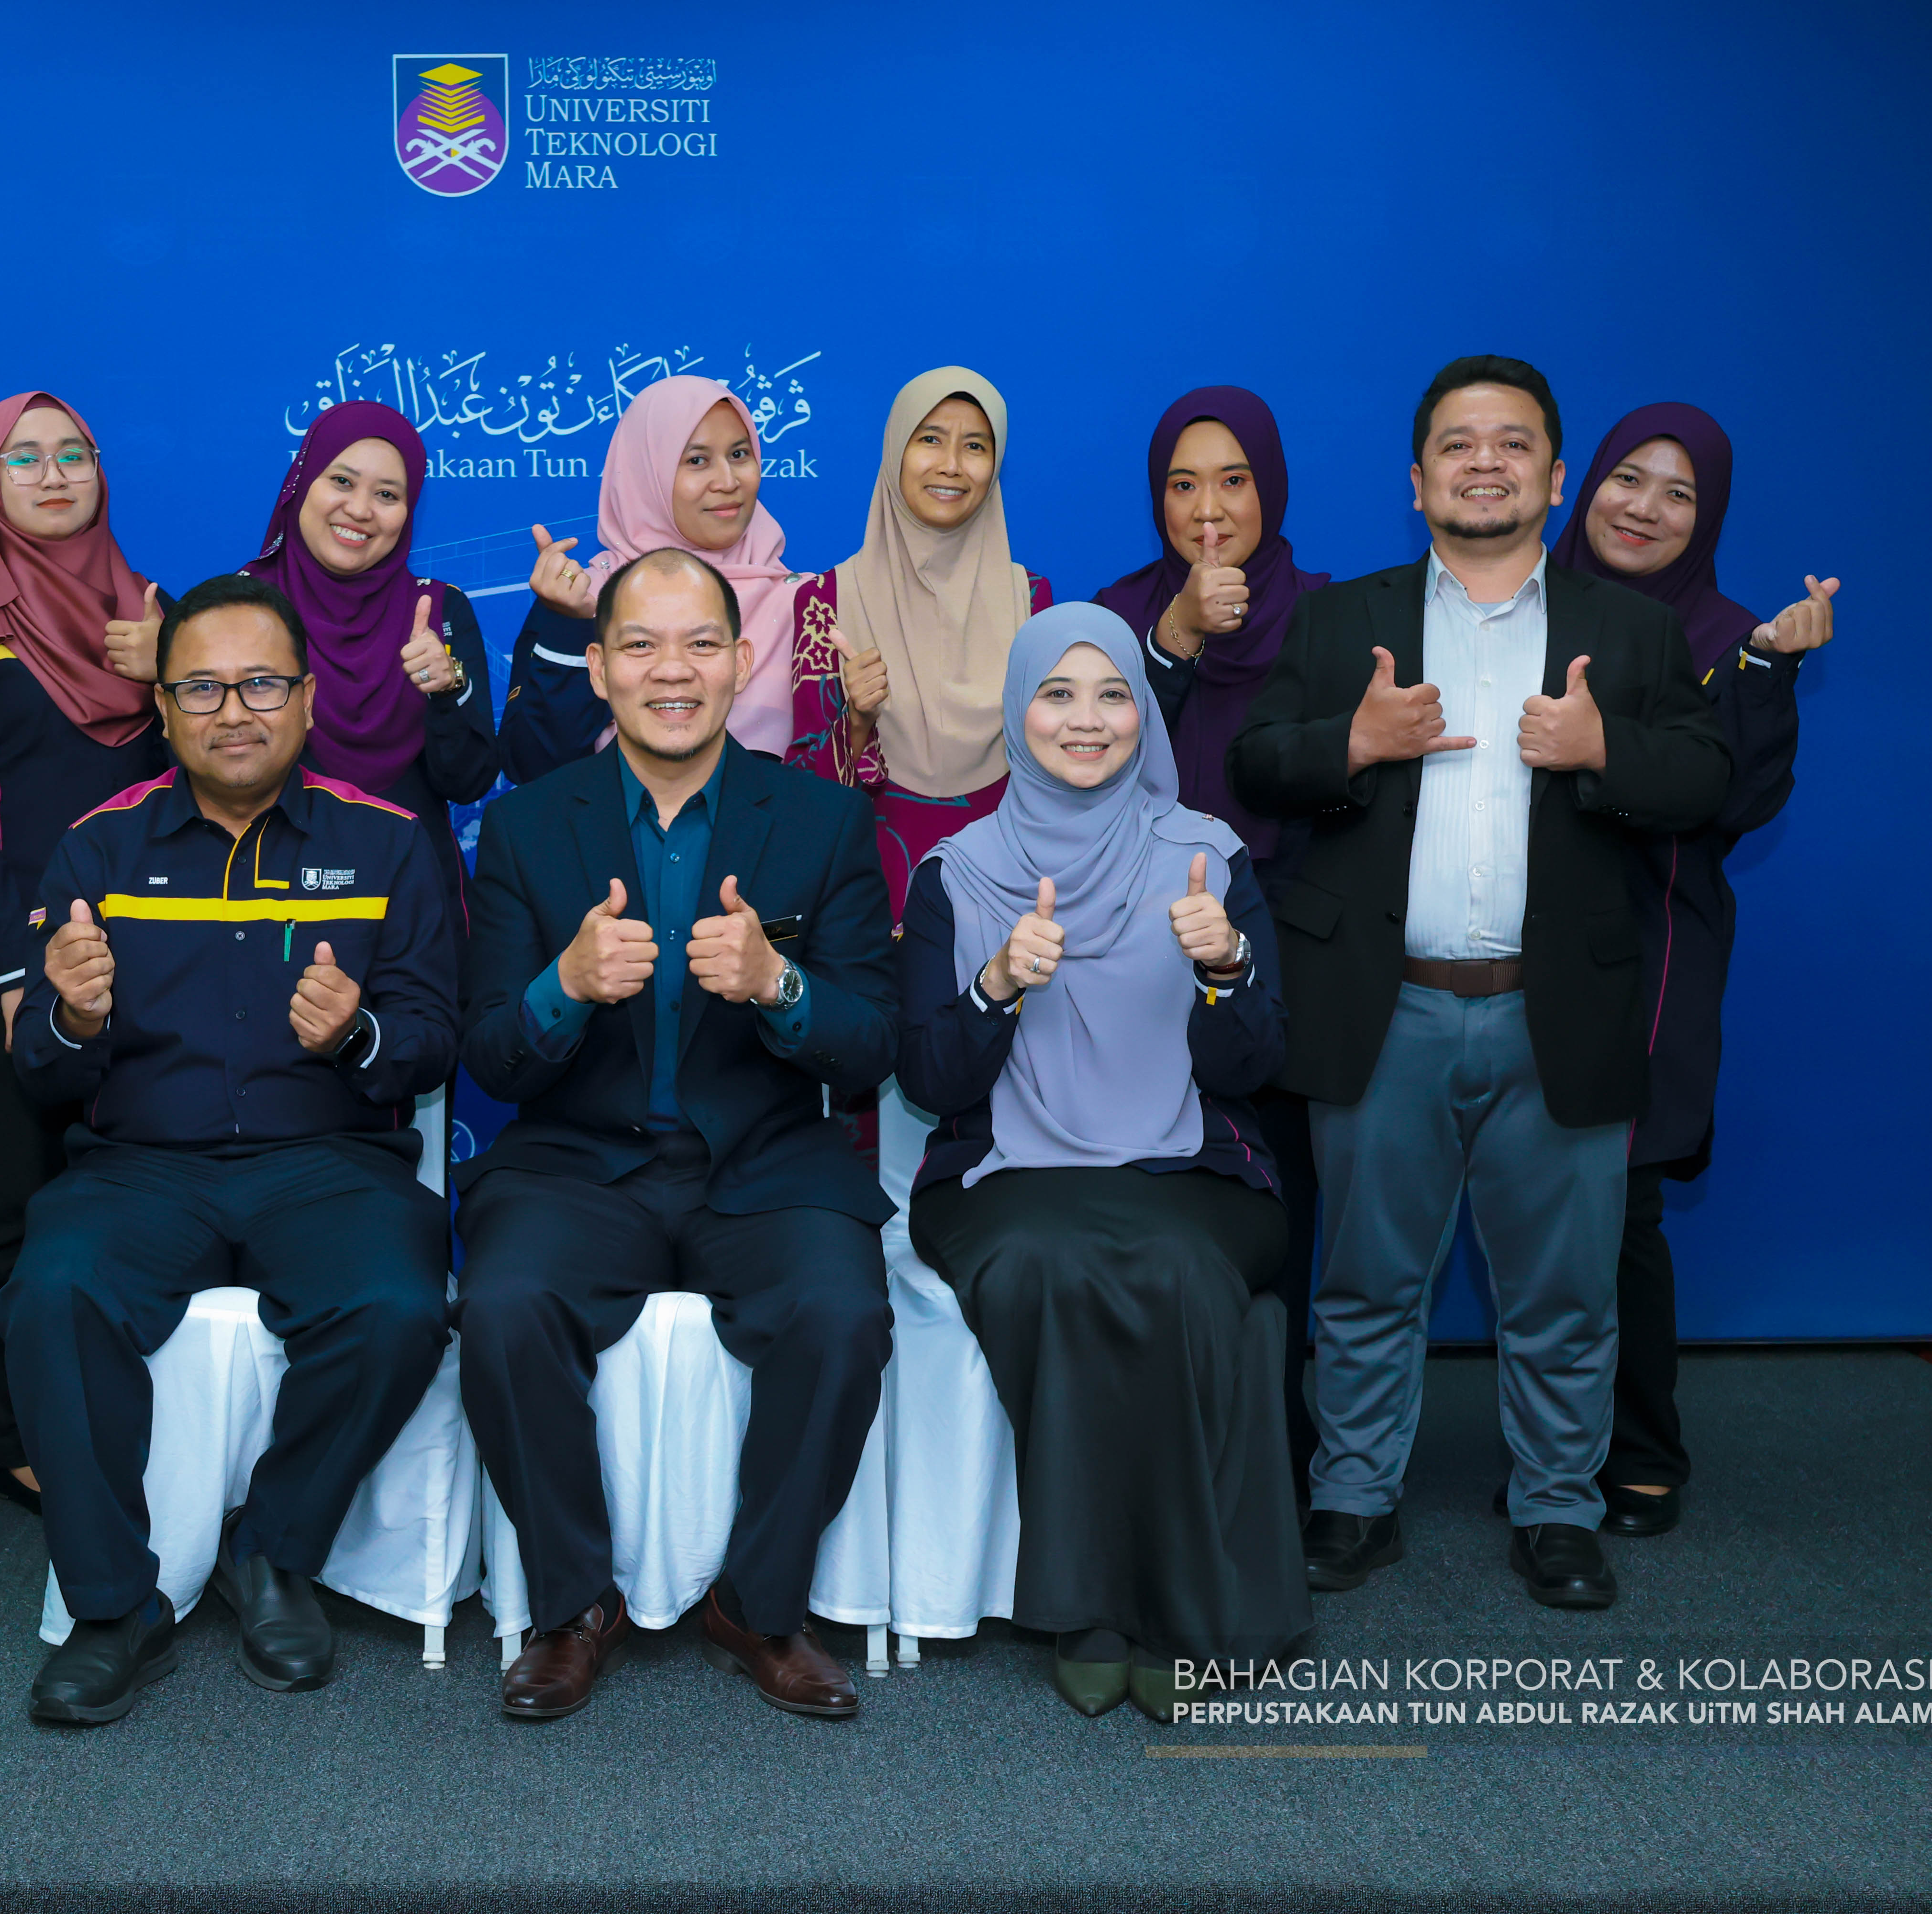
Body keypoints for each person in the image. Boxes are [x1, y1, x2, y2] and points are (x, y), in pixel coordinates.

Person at [1228, 356, 1730, 1612]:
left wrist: (1605, 749)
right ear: (1417, 481)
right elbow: (1257, 762)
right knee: (1365, 1282)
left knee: (1566, 1292)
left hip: (1557, 1009)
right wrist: (1354, 741)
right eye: (1459, 444)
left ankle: (1560, 1507)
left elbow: (1704, 780)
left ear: (1555, 479)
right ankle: (1354, 1498)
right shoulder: (1343, 621)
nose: (1486, 462)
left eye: (1514, 443)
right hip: (1383, 1005)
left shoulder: (1633, 631)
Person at [0, 573, 456, 1727]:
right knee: (51, 1292)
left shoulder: (387, 842)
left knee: (400, 1303)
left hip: (329, 1163)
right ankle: (115, 1604)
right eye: (201, 688)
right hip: (142, 1166)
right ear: (162, 707)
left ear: (307, 701)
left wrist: (356, 1032)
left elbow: (434, 1036)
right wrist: (74, 1017)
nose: (234, 710)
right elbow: (39, 1070)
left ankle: (275, 1550)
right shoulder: (98, 846)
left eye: (261, 683)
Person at [456, 547, 898, 1723]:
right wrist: (560, 986)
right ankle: (572, 1606)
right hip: (576, 1163)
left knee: (843, 1314)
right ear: (599, 668)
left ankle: (758, 1606)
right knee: (502, 1306)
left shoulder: (823, 820)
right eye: (641, 645)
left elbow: (871, 1045)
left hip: (765, 1158)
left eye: (700, 643)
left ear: (742, 660)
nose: (672, 670)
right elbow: (490, 1056)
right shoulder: (525, 827)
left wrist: (778, 984)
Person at [901, 604, 1305, 1722]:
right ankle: (1092, 1612)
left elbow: (1258, 1062)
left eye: (1114, 694)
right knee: (1050, 1262)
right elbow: (930, 1077)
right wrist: (994, 987)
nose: (1087, 719)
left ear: (1144, 714)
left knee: (1170, 1265)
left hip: (1193, 1166)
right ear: (1016, 712)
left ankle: (1178, 1616)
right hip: (1004, 1172)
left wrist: (1226, 967)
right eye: (1058, 694)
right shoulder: (956, 872)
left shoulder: (1206, 856)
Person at [1547, 402, 1835, 1537]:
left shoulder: (1728, 635)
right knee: (1497, 1210)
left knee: (1617, 1214)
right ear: (1586, 485)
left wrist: (1768, 667)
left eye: (1681, 493)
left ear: (1706, 517)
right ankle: (1526, 1446)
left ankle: (1639, 1448)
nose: (1646, 508)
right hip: (1501, 948)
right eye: (1629, 478)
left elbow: (1740, 799)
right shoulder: (1519, 598)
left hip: (1647, 951)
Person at [0, 391, 171, 1517]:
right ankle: (12, 1435)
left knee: (136, 1206)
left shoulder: (150, 611)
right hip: (1, 970)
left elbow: (214, 771)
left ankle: (133, 1418)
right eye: (25, 459)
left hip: (146, 966)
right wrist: (21, 973)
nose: (55, 476)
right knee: (10, 1208)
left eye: (74, 455)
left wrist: (169, 672)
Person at [1095, 387, 1336, 1495]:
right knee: (1148, 1210)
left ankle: (1271, 1454)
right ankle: (1146, 1455)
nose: (1208, 508)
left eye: (1233, 480)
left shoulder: (1329, 616)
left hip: (1282, 953)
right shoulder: (1120, 616)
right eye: (1183, 483)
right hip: (1135, 955)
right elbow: (1092, 764)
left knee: (1275, 1206)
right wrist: (1175, 639)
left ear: (1270, 487)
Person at [787, 366, 1049, 912]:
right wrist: (857, 720)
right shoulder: (825, 601)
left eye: (975, 446)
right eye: (930, 439)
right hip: (868, 900)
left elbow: (1056, 779)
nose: (952, 465)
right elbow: (799, 801)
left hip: (1006, 899)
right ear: (895, 451)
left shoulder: (1030, 601)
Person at [241, 399, 498, 894]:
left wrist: (447, 691)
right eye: (341, 481)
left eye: (387, 494)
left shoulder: (438, 610)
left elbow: (468, 784)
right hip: (269, 891)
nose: (360, 510)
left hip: (411, 893)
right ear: (302, 482)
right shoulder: (237, 608)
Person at [498, 377, 807, 780]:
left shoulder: (808, 604)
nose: (728, 481)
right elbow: (531, 768)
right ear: (645, 475)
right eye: (697, 461)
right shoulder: (582, 597)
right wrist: (571, 627)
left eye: (739, 454)